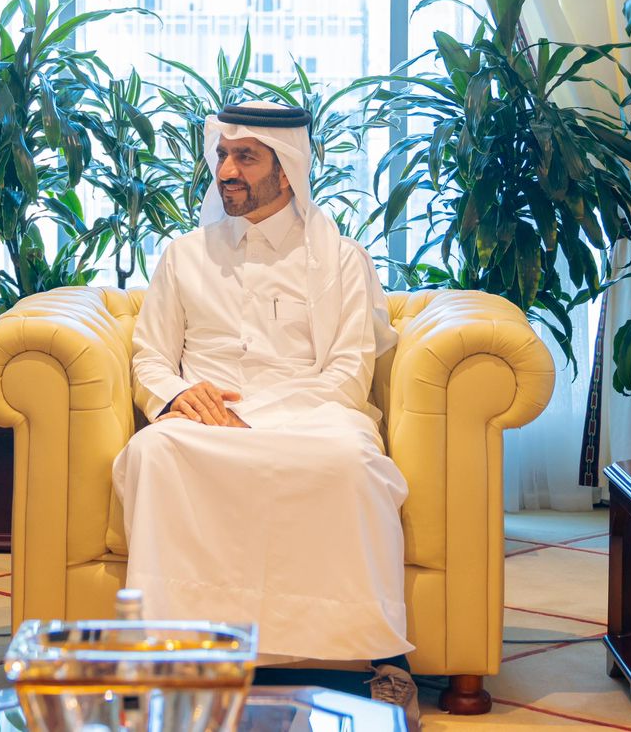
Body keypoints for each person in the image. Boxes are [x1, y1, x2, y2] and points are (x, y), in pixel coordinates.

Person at [113, 101, 417, 712]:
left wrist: (261, 418)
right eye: (222, 155)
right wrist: (177, 395)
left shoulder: (341, 260)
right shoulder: (184, 255)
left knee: (353, 464)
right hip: (203, 425)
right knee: (155, 453)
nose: (227, 171)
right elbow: (149, 358)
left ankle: (381, 656)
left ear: (288, 168)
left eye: (245, 158)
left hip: (315, 418)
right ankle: (167, 656)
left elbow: (348, 373)